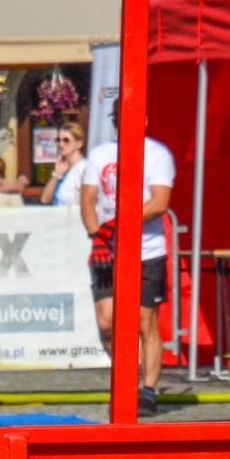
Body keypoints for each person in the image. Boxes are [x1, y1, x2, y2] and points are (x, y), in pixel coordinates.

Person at [81, 114, 174, 412]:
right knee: (106, 322)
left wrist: (118, 223)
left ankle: (148, 389)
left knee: (145, 321)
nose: (125, 124)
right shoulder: (100, 154)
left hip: (147, 249)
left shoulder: (157, 154)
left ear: (143, 120)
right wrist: (98, 235)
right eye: (119, 119)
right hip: (107, 250)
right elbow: (88, 199)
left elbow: (159, 202)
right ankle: (127, 377)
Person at [39, 121, 87, 207]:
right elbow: (45, 199)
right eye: (58, 140)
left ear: (79, 144)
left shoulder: (84, 169)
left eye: (66, 140)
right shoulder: (64, 169)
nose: (61, 144)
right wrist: (56, 174)